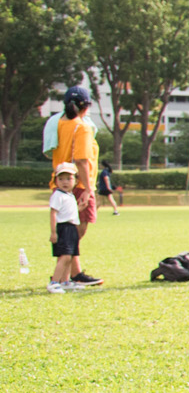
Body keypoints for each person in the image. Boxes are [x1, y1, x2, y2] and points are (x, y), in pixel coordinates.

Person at [49, 87, 103, 287]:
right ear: (86, 106)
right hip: (78, 184)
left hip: (62, 182)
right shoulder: (82, 127)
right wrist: (88, 189)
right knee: (76, 231)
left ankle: (70, 274)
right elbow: (81, 160)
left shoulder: (60, 123)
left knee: (70, 232)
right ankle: (68, 274)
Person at [47, 162, 84, 293]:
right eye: (61, 179)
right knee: (65, 256)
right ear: (55, 180)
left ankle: (65, 281)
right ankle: (54, 282)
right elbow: (53, 213)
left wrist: (80, 208)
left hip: (72, 227)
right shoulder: (58, 195)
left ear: (75, 180)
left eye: (69, 178)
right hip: (64, 228)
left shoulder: (70, 195)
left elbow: (69, 211)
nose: (65, 182)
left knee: (71, 256)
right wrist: (53, 232)